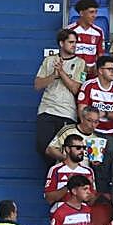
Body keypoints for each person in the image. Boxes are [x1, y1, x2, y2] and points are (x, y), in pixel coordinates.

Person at [34, 28, 88, 165]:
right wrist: (54, 75)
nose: (74, 45)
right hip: (47, 109)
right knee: (42, 146)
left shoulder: (81, 63)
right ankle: (53, 172)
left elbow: (76, 89)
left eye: (75, 42)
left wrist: (61, 73)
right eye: (71, 42)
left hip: (67, 112)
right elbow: (37, 85)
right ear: (61, 43)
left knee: (64, 148)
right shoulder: (49, 60)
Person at [77, 55, 113, 195]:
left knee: (109, 159)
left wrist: (102, 114)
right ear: (99, 70)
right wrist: (91, 123)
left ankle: (104, 193)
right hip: (89, 132)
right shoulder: (89, 85)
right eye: (109, 69)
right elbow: (82, 110)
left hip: (108, 133)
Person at [44, 134, 95, 212]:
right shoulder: (55, 170)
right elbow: (49, 199)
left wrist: (88, 188)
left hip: (82, 216)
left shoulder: (88, 171)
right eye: (78, 148)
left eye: (83, 148)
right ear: (67, 149)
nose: (82, 151)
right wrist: (68, 186)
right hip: (60, 214)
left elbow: (92, 202)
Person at [66, 0, 105, 70]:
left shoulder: (99, 32)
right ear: (81, 13)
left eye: (96, 12)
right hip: (73, 71)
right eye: (91, 12)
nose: (94, 15)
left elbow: (100, 54)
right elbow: (65, 53)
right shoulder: (69, 30)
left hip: (91, 72)